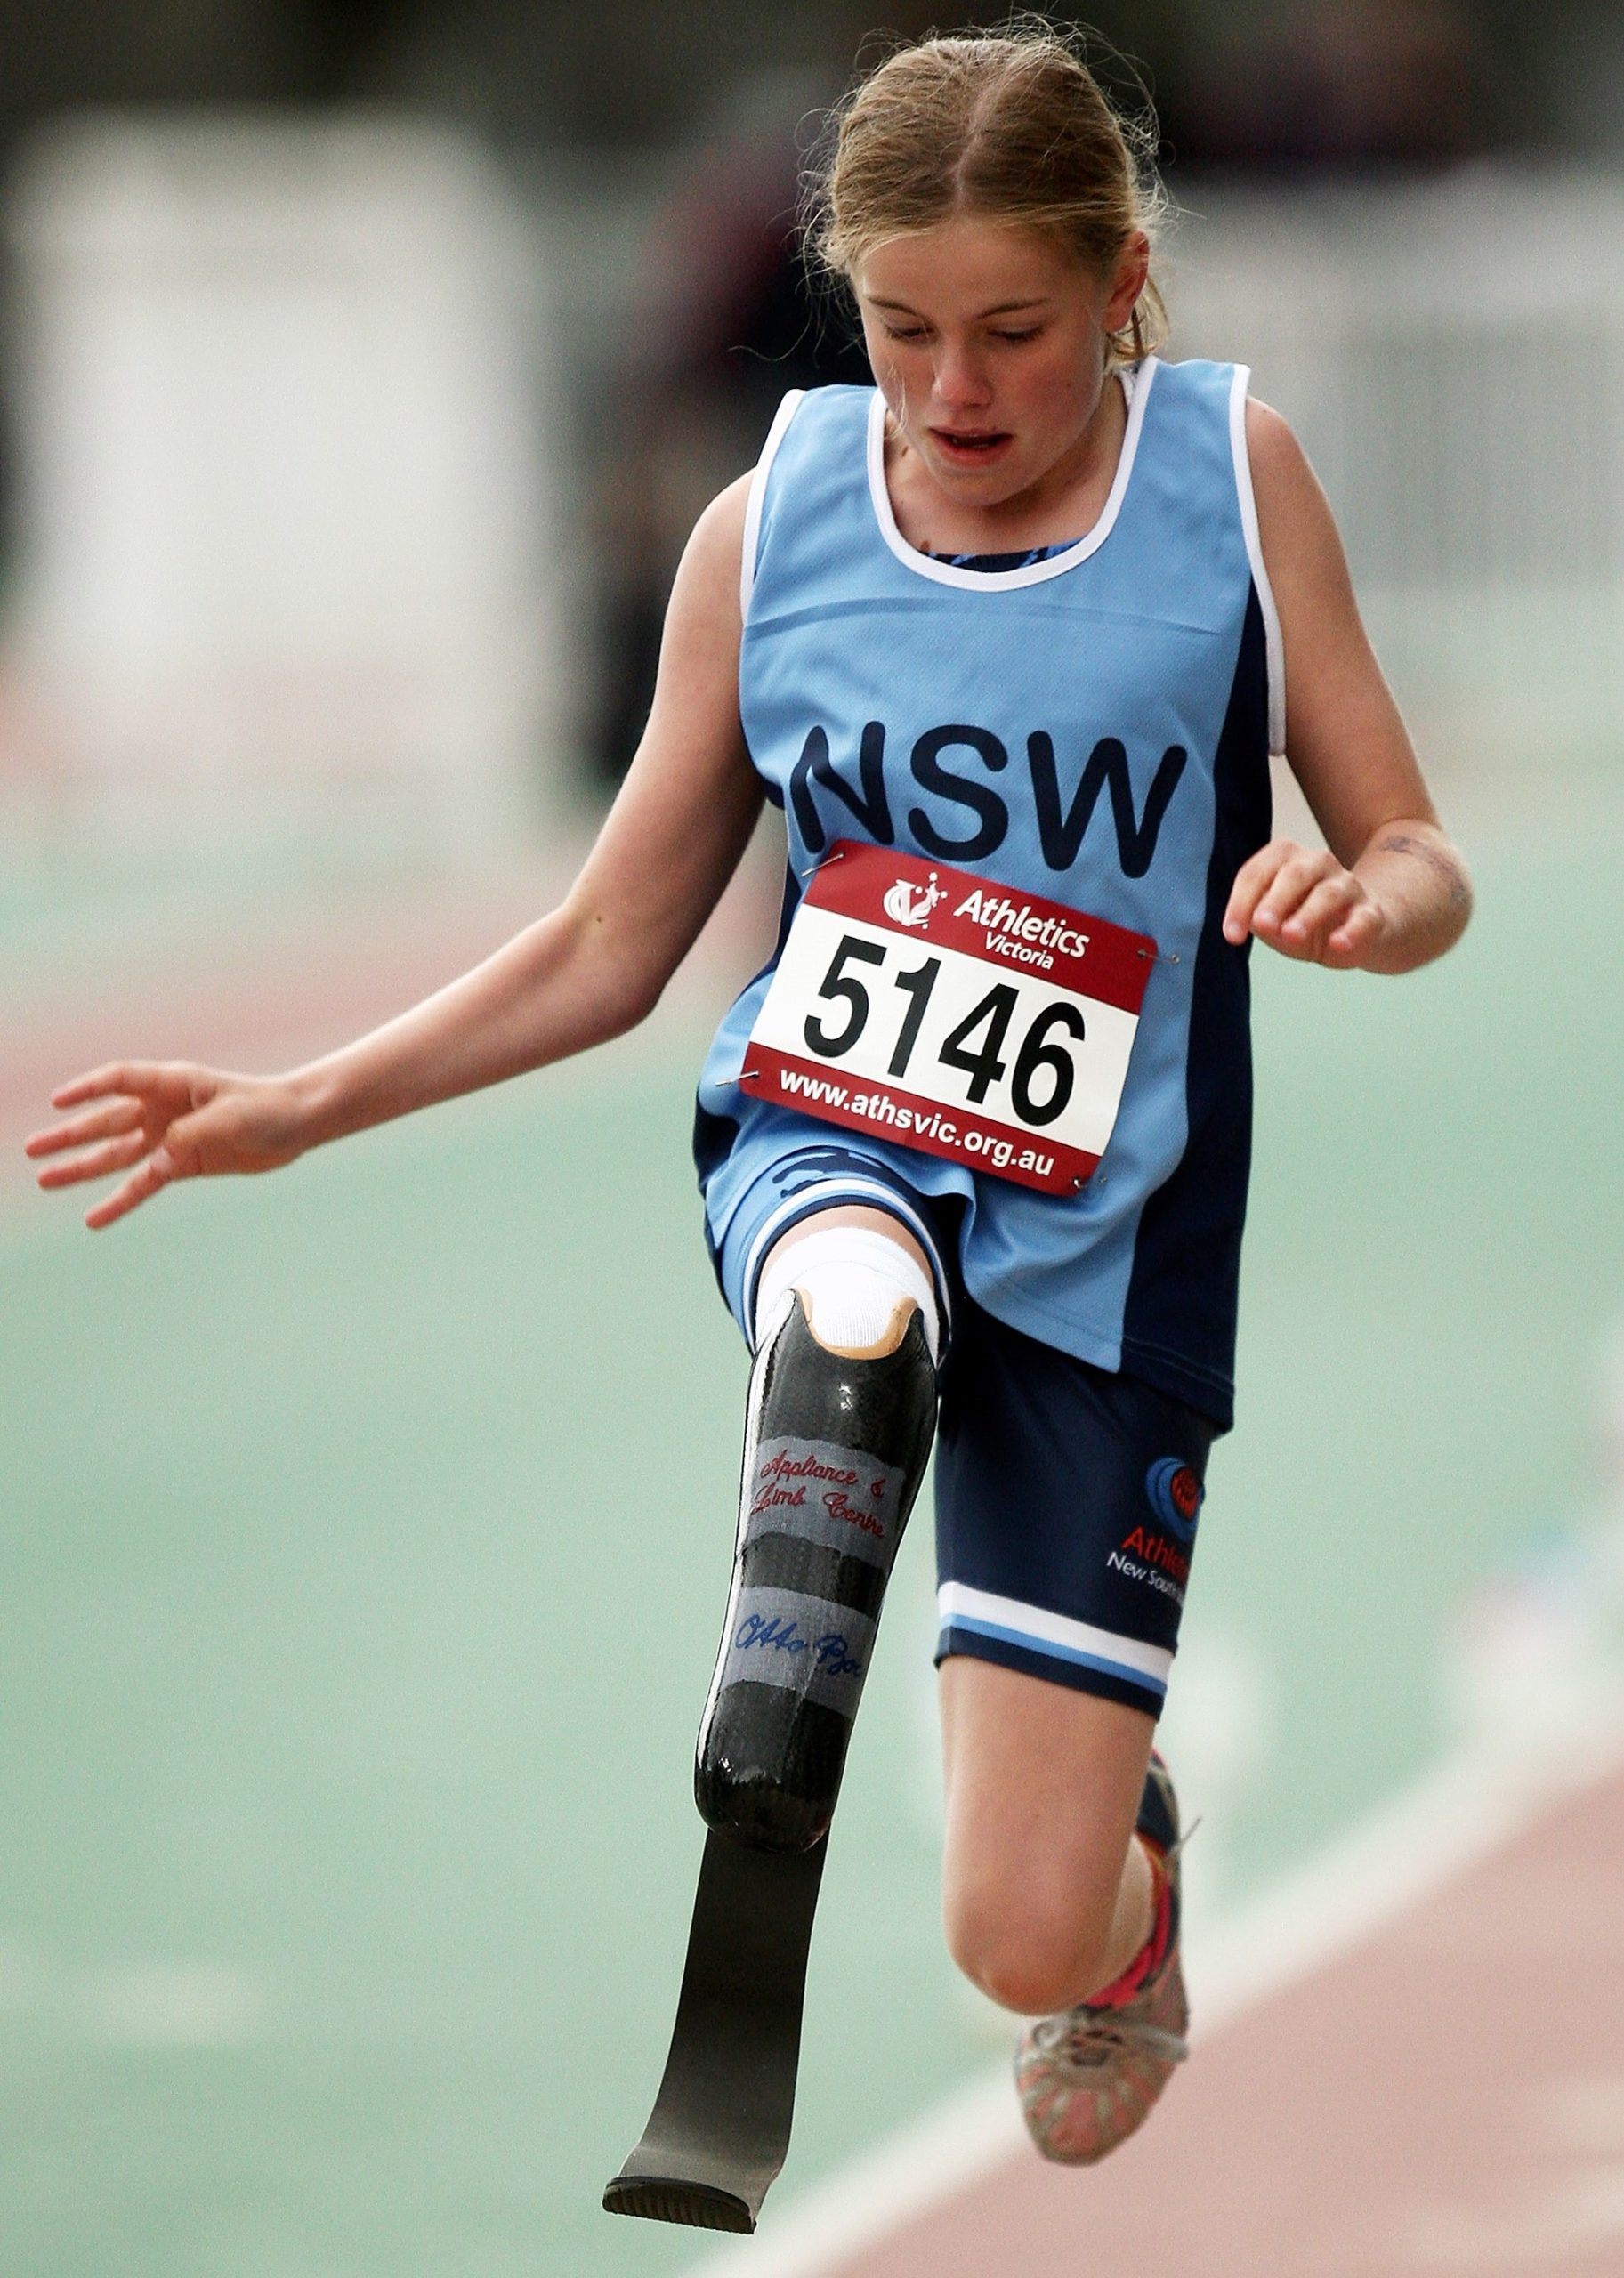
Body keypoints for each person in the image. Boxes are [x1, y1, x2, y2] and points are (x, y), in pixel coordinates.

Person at [27, 27, 1471, 2169]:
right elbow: (614, 939)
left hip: (1112, 1238)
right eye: (901, 328)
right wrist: (302, 1103)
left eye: (1013, 331)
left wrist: (1362, 897)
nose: (952, 388)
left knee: (1015, 1929)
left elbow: (1419, 851)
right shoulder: (769, 522)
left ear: (1121, 283)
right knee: (852, 1307)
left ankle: (1132, 1896)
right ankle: (780, 1680)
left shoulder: (1231, 484)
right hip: (833, 1138)